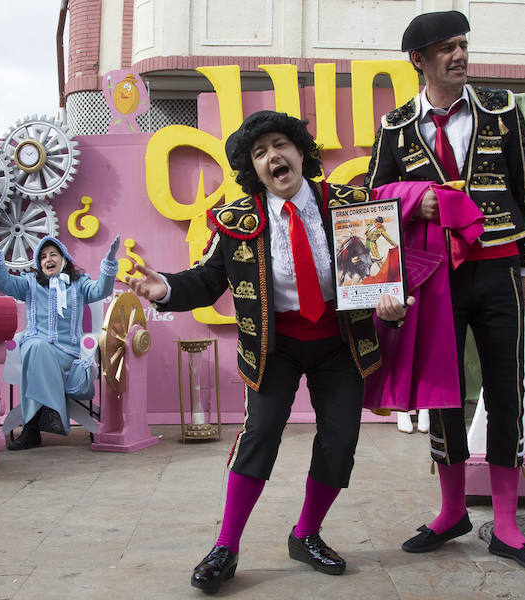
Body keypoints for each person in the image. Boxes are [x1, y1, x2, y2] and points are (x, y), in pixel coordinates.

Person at [129, 110, 410, 593]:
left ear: (301, 151)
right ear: (252, 169)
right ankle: (226, 546)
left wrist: (391, 309)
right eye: (260, 153)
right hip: (273, 346)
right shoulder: (238, 220)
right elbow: (209, 278)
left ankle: (306, 534)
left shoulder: (351, 206)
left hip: (339, 344)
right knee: (260, 433)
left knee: (340, 439)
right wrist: (168, 288)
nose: (272, 157)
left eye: (281, 145)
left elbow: (383, 280)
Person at [366, 11, 525, 574]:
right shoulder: (396, 125)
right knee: (443, 393)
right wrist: (414, 197)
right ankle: (451, 511)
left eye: (463, 45)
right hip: (432, 274)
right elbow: (375, 197)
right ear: (418, 61)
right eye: (447, 48)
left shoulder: (502, 107)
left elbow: (523, 187)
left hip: (497, 268)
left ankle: (505, 524)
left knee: (507, 388)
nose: (460, 55)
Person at [0, 230, 120, 450]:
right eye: (43, 257)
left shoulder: (79, 284)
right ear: (38, 263)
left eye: (53, 254)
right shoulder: (29, 284)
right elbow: (4, 283)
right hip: (35, 348)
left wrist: (109, 263)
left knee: (38, 353)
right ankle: (51, 412)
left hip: (67, 354)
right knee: (37, 346)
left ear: (64, 259)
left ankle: (32, 430)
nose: (48, 259)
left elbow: (102, 289)